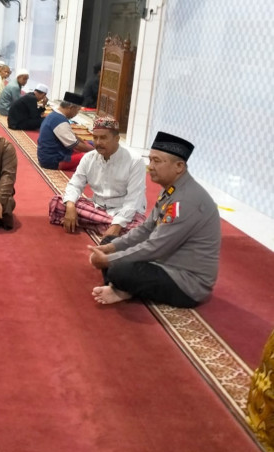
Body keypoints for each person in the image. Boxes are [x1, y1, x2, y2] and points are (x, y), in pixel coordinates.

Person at [89, 132, 221, 308]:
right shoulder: (171, 190)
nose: (150, 166)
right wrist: (110, 248)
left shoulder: (185, 201)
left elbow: (155, 247)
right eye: (150, 160)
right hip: (164, 260)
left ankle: (120, 288)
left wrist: (109, 260)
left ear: (179, 166)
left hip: (186, 282)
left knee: (119, 269)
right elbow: (146, 229)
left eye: (157, 161)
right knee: (111, 241)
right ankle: (121, 287)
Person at [48, 116, 146, 240]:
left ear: (117, 139)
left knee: (139, 231)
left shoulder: (135, 161)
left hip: (123, 209)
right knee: (57, 203)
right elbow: (75, 184)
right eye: (95, 138)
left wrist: (117, 225)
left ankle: (100, 224)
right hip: (97, 206)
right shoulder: (89, 157)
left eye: (103, 138)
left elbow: (134, 200)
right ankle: (103, 224)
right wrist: (71, 206)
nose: (98, 142)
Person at [37, 91, 93, 170]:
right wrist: (95, 151)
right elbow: (75, 145)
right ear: (71, 107)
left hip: (54, 154)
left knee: (91, 143)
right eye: (77, 110)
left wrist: (87, 145)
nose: (76, 114)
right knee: (91, 157)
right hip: (53, 160)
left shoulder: (54, 115)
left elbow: (73, 136)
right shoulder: (58, 120)